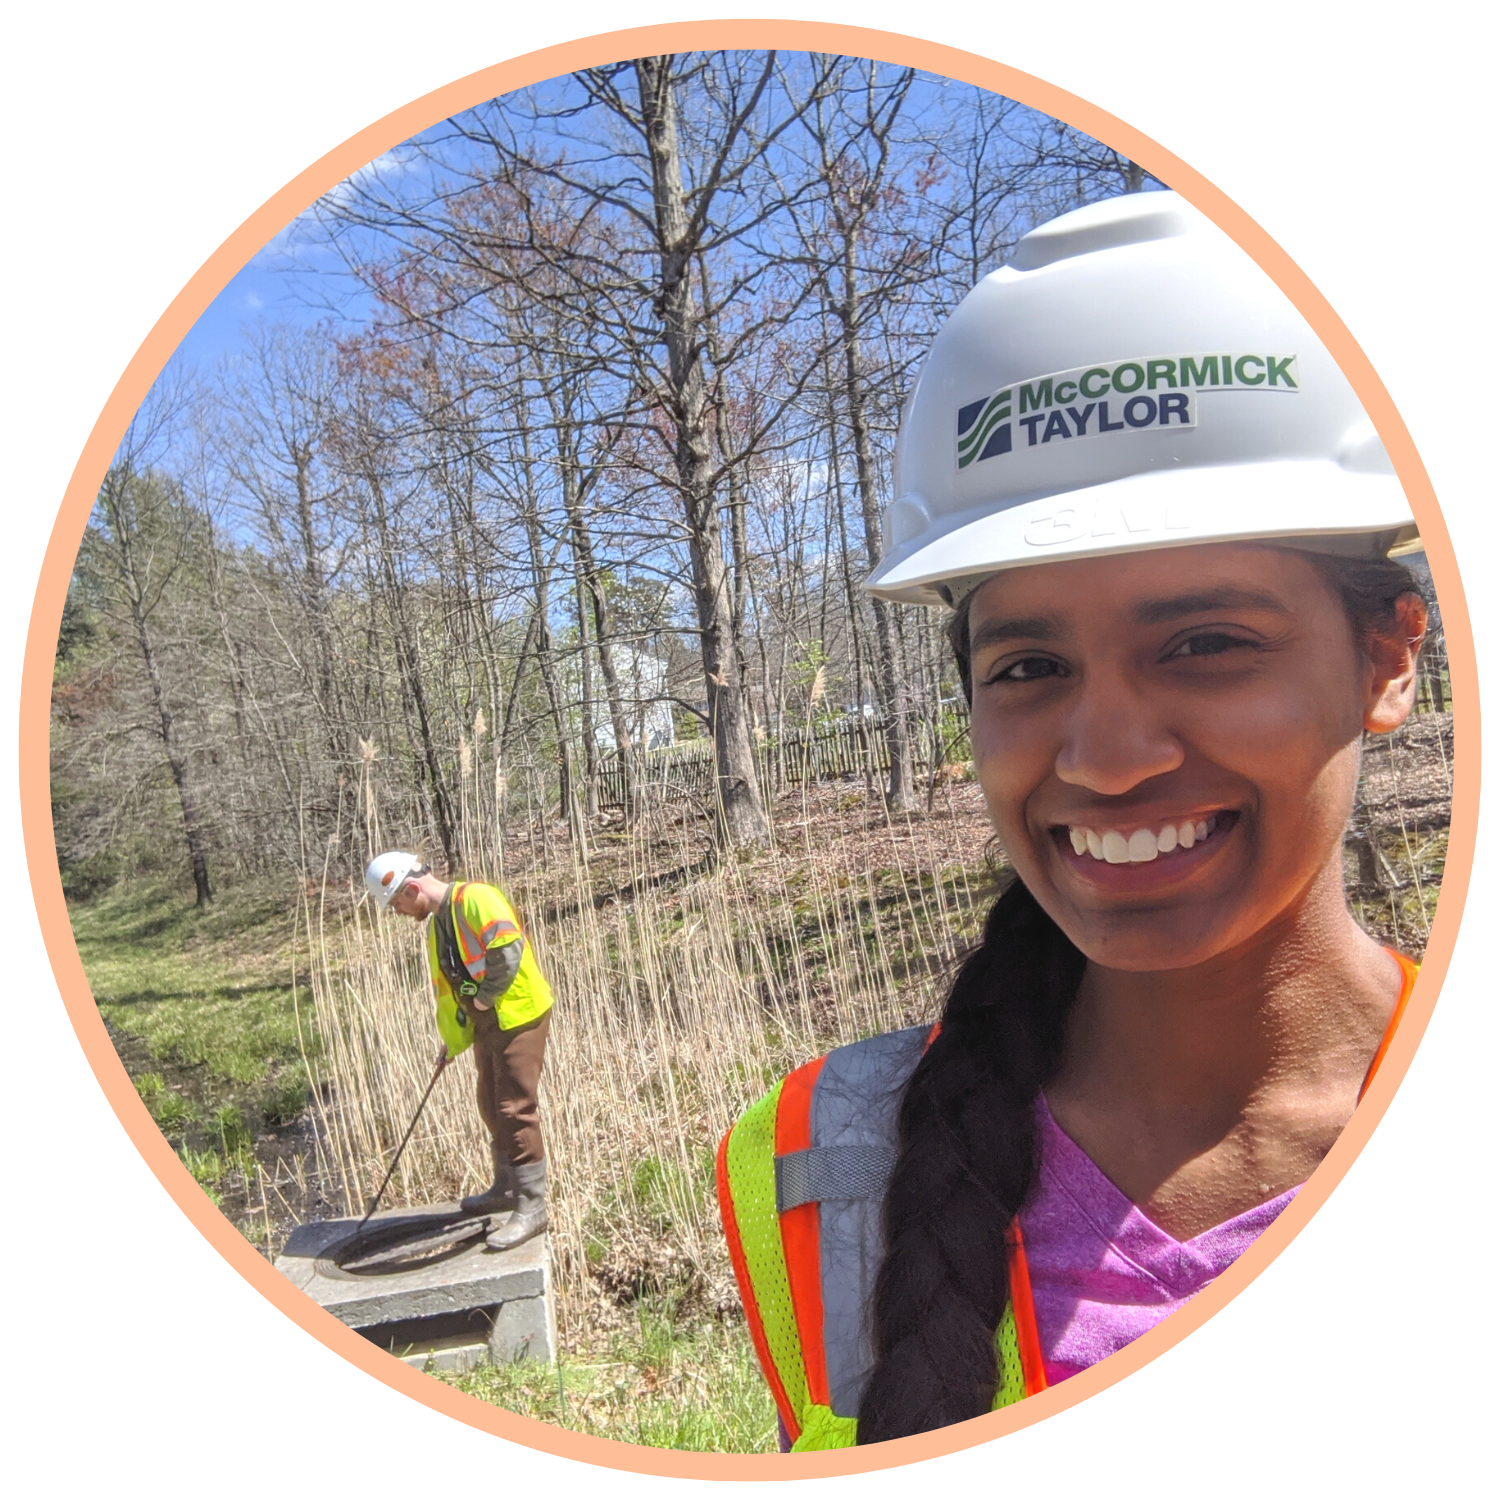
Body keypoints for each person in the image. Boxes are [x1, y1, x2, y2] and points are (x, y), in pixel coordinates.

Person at [716, 191, 1428, 1449]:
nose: (1104, 762)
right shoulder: (829, 1164)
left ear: (1387, 655)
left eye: (1206, 644)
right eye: (1029, 667)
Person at [365, 852, 554, 1251]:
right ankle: (505, 1187)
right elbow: (453, 989)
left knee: (514, 1108)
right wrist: (453, 1042)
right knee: (488, 1101)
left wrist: (485, 999)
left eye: (396, 903)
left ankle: (532, 1209)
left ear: (412, 888)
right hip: (489, 1021)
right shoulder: (438, 924)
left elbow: (508, 950)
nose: (398, 912)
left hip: (518, 1014)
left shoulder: (476, 898)